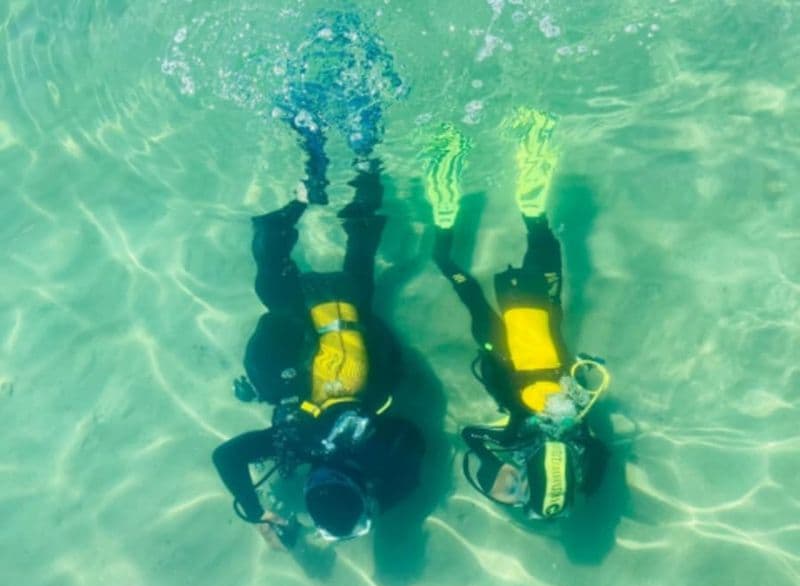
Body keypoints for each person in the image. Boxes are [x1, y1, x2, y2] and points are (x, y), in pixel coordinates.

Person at [213, 11, 423, 548]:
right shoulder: (297, 445)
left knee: (360, 230)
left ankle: (361, 149)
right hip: (301, 310)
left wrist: (382, 487)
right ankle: (308, 169)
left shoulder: (373, 448)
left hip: (350, 302)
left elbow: (414, 440)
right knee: (277, 264)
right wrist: (255, 510)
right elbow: (228, 457)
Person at [421, 109, 611, 520]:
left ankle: (529, 130)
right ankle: (446, 152)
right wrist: (496, 469)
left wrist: (587, 485)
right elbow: (469, 434)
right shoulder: (518, 436)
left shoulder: (575, 426)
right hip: (497, 336)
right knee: (447, 261)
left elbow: (599, 458)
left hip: (540, 308)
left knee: (538, 228)